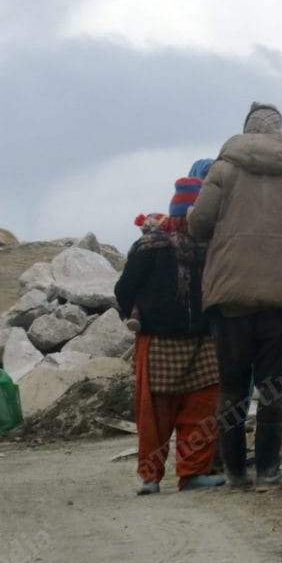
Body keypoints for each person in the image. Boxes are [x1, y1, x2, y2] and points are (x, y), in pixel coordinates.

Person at [188, 102, 282, 489]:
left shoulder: (223, 169)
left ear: (247, 131)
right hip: (281, 300)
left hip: (231, 296)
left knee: (233, 387)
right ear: (280, 133)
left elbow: (199, 223)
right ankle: (268, 470)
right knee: (270, 386)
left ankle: (235, 473)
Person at [114, 179, 224, 495]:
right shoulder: (150, 248)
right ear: (177, 215)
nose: (191, 224)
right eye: (187, 216)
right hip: (158, 341)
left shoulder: (210, 248)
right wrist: (138, 316)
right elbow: (124, 290)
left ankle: (193, 473)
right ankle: (151, 477)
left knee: (201, 409)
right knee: (154, 415)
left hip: (203, 341)